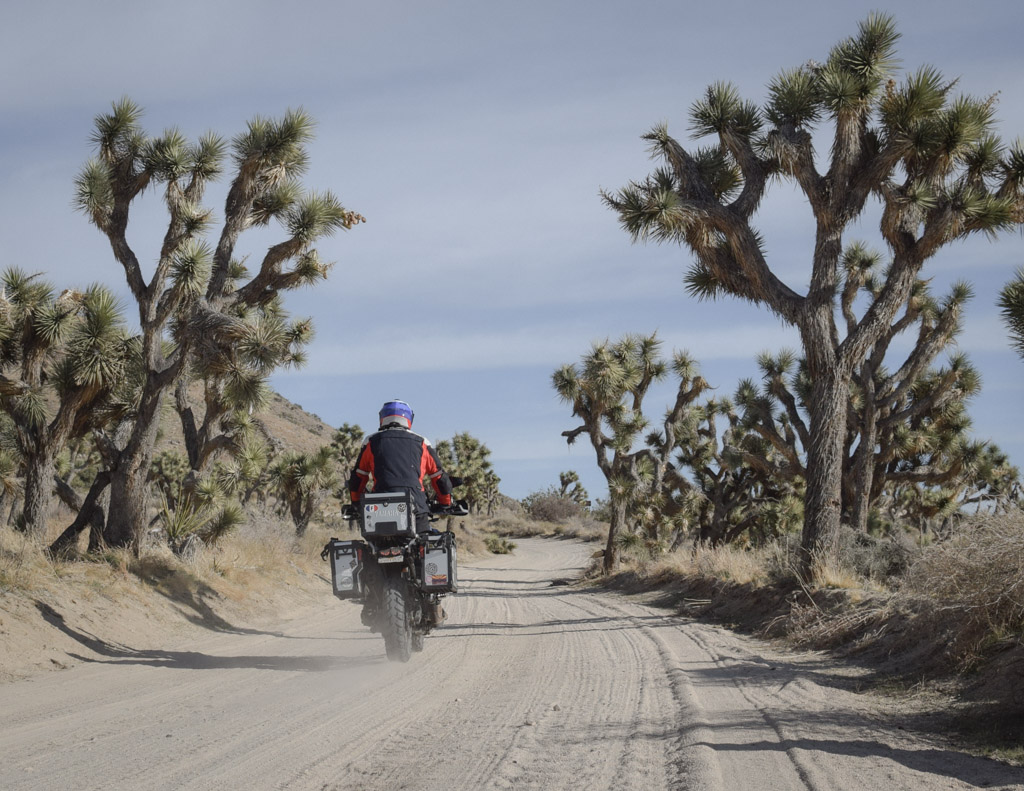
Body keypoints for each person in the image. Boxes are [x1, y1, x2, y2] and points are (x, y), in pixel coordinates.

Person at [347, 399, 454, 530]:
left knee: (373, 546)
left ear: (382, 417)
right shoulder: (422, 443)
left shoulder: (371, 441)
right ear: (409, 418)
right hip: (416, 507)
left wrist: (356, 502)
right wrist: (445, 503)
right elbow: (439, 477)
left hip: (379, 508)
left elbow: (359, 477)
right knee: (426, 543)